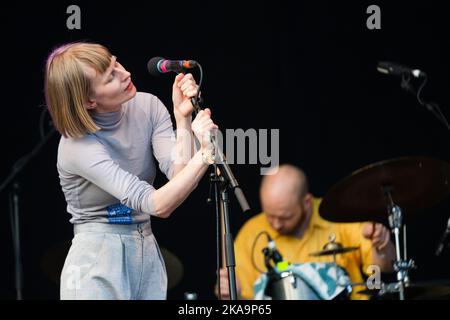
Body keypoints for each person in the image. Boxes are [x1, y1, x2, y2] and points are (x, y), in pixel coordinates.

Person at [44, 42, 217, 299]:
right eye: (110, 77)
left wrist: (183, 120)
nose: (125, 74)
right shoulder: (76, 146)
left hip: (145, 248)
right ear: (89, 100)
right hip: (96, 257)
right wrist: (204, 155)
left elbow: (178, 179)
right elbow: (158, 205)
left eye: (117, 63)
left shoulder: (147, 106)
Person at [216, 164, 396, 300]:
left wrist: (381, 245)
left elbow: (383, 269)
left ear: (307, 202)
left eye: (285, 217)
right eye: (270, 216)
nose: (276, 224)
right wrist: (232, 294)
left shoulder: (340, 214)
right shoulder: (252, 233)